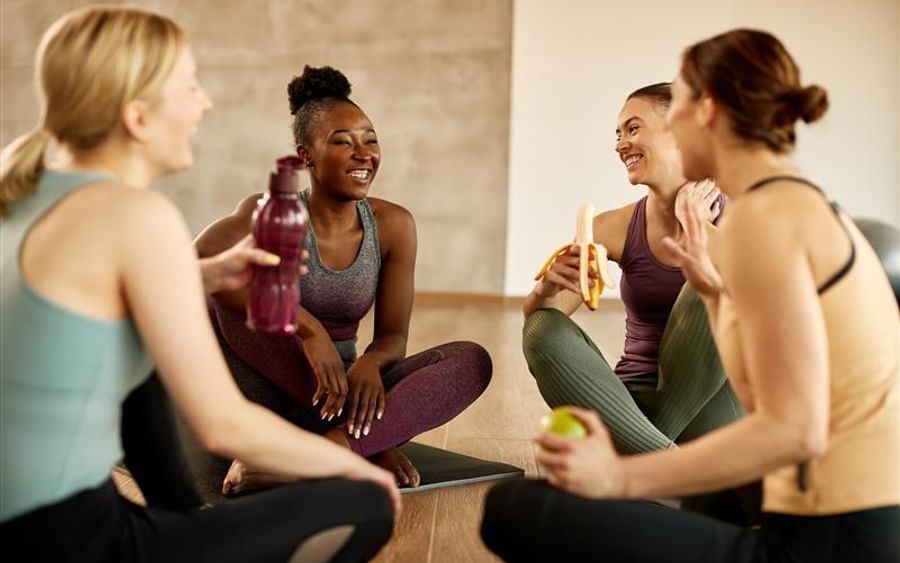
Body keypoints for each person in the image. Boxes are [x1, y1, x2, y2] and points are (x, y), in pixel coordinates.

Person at [481, 28, 899, 563]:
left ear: (706, 111)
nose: (623, 141)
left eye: (673, 106)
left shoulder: (759, 223)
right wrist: (715, 294)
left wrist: (619, 475)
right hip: (821, 513)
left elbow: (795, 431)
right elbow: (765, 399)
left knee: (513, 509)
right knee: (696, 497)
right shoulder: (794, 204)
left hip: (823, 540)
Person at [0, 7, 402, 562]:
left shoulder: (19, 189)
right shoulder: (137, 216)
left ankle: (180, 521)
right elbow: (222, 425)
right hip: (68, 541)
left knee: (140, 345)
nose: (203, 105)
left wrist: (200, 274)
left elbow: (79, 293)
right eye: (189, 86)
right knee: (365, 504)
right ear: (137, 116)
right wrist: (354, 463)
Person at [194, 65, 493, 493]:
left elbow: (392, 336)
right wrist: (308, 328)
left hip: (344, 390)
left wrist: (370, 364)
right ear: (305, 155)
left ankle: (334, 449)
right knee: (225, 297)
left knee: (470, 360)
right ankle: (368, 441)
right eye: (342, 142)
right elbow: (200, 261)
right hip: (271, 390)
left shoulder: (393, 225)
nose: (363, 153)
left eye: (370, 139)